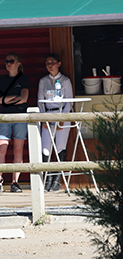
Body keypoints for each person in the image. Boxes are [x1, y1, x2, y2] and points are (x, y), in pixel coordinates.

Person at [0, 53, 29, 195]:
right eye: (6, 61)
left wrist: (5, 99)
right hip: (4, 117)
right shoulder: (2, 80)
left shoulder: (23, 79)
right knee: (0, 149)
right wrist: (14, 98)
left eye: (11, 61)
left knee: (18, 150)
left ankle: (15, 182)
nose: (8, 63)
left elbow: (24, 98)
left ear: (18, 63)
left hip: (20, 116)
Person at [38, 53, 73, 192]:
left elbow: (69, 101)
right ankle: (47, 178)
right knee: (46, 149)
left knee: (60, 147)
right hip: (48, 114)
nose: (50, 65)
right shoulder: (43, 81)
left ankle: (57, 178)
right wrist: (43, 118)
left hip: (62, 114)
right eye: (47, 62)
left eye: (52, 62)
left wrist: (62, 118)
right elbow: (40, 101)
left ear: (59, 64)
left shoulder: (65, 81)